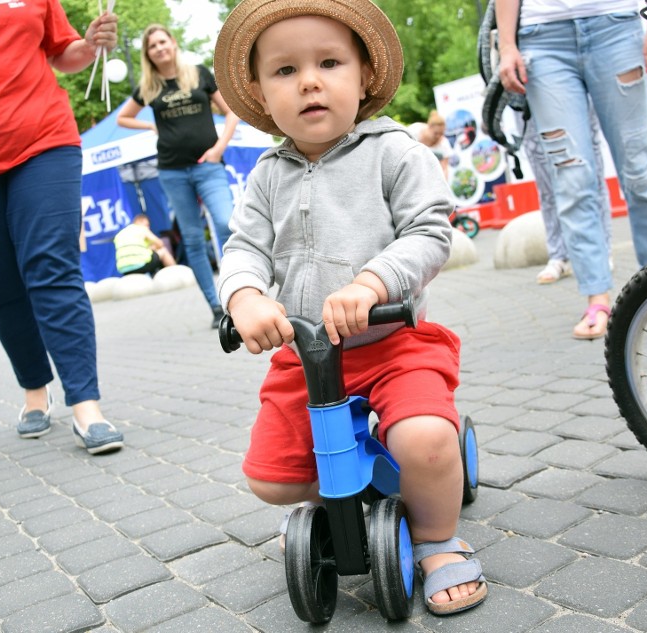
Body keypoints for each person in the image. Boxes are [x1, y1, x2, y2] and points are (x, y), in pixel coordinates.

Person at [213, 0, 487, 615]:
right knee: (270, 479)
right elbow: (243, 249)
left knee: (428, 443)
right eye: (284, 71)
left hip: (394, 345)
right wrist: (246, 295)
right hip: (307, 359)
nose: (309, 80)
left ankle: (437, 538)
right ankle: (355, 491)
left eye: (329, 62)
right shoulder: (264, 178)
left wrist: (372, 284)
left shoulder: (394, 151)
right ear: (259, 92)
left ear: (363, 75)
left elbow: (428, 230)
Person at [0, 1, 124, 454]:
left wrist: (90, 44)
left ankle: (86, 405)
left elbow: (62, 53)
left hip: (43, 141)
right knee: (0, 283)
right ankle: (35, 390)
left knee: (51, 267)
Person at [496, 0, 647, 339]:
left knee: (640, 172)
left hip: (616, 25)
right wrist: (506, 45)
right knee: (572, 178)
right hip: (542, 39)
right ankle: (596, 298)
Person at [116, 24, 240, 329]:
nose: (159, 48)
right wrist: (149, 126)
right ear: (148, 54)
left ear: (172, 43)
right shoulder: (149, 86)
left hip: (208, 166)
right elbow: (123, 117)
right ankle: (215, 306)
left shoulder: (198, 73)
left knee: (226, 224)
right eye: (152, 46)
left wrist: (218, 148)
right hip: (172, 171)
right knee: (193, 240)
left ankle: (238, 297)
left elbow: (232, 112)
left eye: (162, 42)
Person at [522, 104, 613, 284]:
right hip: (527, 93)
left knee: (591, 174)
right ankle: (559, 256)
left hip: (580, 89)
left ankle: (602, 251)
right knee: (546, 184)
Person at [407, 110, 454, 179]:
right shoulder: (413, 130)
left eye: (441, 133)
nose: (438, 136)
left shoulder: (444, 144)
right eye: (436, 133)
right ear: (429, 127)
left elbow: (444, 168)